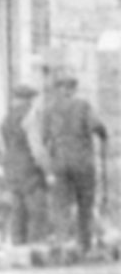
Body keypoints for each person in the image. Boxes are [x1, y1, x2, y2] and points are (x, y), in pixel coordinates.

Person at [40, 71, 108, 254]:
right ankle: (83, 244)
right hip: (82, 162)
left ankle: (62, 243)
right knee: (85, 202)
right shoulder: (83, 106)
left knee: (61, 203)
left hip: (59, 163)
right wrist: (103, 133)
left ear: (58, 90)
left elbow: (44, 138)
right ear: (73, 89)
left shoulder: (49, 110)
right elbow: (97, 126)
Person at [0, 82, 49, 245]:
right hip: (28, 167)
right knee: (36, 210)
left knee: (17, 209)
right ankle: (36, 247)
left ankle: (18, 247)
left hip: (10, 166)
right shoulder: (30, 115)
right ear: (28, 99)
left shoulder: (7, 118)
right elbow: (36, 146)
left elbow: (6, 143)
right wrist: (47, 170)